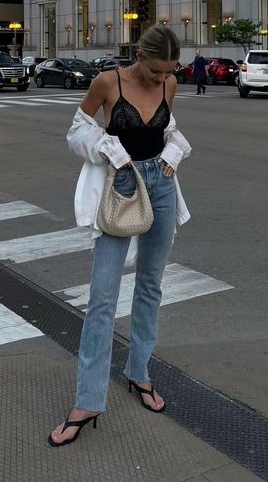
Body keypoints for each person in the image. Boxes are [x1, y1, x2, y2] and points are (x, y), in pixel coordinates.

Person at [49, 25, 191, 447]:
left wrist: (174, 151)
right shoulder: (108, 82)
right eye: (154, 71)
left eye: (167, 72)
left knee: (151, 285)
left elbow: (166, 130)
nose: (159, 79)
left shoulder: (170, 84)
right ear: (139, 57)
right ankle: (88, 400)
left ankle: (139, 372)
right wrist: (108, 148)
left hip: (162, 185)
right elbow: (77, 128)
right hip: (120, 187)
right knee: (102, 297)